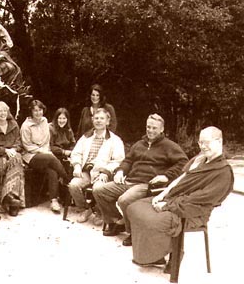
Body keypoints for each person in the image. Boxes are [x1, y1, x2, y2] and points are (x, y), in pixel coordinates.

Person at [127, 126, 234, 269]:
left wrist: (167, 205)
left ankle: (171, 253)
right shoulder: (199, 159)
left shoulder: (223, 172)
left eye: (207, 142)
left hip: (192, 211)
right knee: (134, 207)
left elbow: (199, 199)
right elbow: (181, 179)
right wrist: (162, 194)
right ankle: (156, 255)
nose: (203, 146)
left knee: (152, 219)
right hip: (174, 200)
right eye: (200, 142)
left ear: (219, 141)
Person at [93, 113, 188, 245]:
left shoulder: (169, 146)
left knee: (124, 200)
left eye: (154, 128)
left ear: (162, 129)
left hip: (147, 184)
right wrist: (120, 171)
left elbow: (183, 162)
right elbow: (128, 160)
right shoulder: (139, 144)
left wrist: (166, 175)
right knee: (99, 190)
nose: (150, 130)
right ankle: (116, 221)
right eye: (148, 127)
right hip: (129, 180)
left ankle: (134, 232)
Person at [69, 108, 125, 223]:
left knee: (98, 188)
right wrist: (77, 165)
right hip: (86, 172)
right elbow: (76, 153)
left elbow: (118, 161)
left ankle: (99, 211)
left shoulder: (115, 140)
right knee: (73, 185)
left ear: (107, 121)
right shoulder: (86, 137)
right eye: (96, 118)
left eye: (102, 118)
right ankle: (85, 209)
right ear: (92, 120)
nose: (99, 121)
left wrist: (105, 171)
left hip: (102, 173)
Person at [20, 100, 68, 213]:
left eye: (40, 110)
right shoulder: (26, 126)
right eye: (35, 110)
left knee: (52, 170)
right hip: (31, 155)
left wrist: (46, 151)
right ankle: (67, 178)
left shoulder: (45, 121)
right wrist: (43, 152)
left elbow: (47, 141)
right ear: (31, 112)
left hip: (45, 154)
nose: (38, 113)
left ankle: (54, 200)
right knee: (50, 159)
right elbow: (27, 146)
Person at [0, 101, 25, 216]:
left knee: (16, 159)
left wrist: (13, 150)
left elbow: (19, 143)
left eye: (5, 111)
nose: (2, 113)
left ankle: (13, 200)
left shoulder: (14, 125)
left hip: (12, 153)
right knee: (0, 163)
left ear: (8, 112)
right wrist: (5, 150)